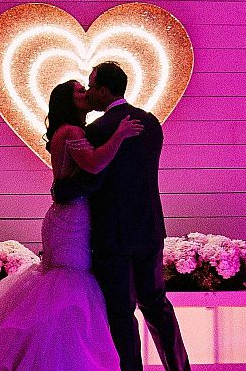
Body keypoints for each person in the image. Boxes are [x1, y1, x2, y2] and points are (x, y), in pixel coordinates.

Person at [0, 79, 142, 371]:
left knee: (60, 282)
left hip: (65, 215)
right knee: (70, 285)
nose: (85, 93)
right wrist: (120, 135)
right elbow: (94, 164)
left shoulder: (65, 131)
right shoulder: (71, 131)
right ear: (68, 101)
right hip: (72, 218)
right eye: (79, 92)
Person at [53, 61, 191, 371]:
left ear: (103, 90)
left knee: (121, 311)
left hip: (112, 235)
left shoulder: (97, 130)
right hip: (149, 228)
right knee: (156, 304)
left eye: (91, 87)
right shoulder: (151, 123)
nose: (88, 93)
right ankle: (180, 368)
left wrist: (60, 191)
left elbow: (93, 178)